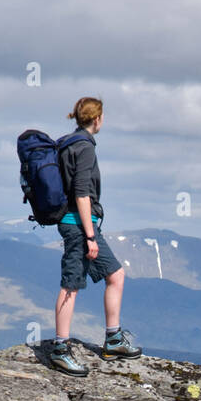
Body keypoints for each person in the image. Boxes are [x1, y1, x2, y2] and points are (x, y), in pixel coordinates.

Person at [50, 97, 142, 375]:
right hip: (79, 225)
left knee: (115, 275)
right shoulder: (85, 148)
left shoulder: (67, 144)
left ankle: (113, 339)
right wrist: (90, 236)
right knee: (71, 284)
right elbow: (81, 192)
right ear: (98, 119)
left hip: (79, 223)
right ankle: (60, 349)